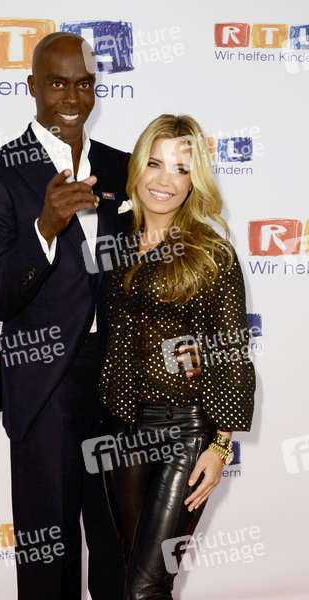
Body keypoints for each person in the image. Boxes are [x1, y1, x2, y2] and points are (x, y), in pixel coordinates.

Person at [0, 32, 131, 600]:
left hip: (119, 381)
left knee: (120, 548)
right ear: (32, 86)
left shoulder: (123, 167)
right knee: (48, 557)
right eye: (57, 83)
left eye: (83, 84)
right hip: (44, 383)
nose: (72, 97)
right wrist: (44, 229)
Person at [98, 114, 255, 599]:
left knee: (145, 586)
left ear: (194, 181)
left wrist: (220, 445)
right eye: (155, 163)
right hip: (123, 429)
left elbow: (230, 353)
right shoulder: (116, 245)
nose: (164, 180)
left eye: (181, 168)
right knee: (137, 571)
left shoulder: (211, 254)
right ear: (137, 169)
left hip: (185, 432)